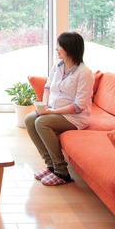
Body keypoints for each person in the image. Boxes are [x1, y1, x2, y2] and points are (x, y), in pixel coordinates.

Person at [24, 31, 94, 186]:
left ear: (70, 48)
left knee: (41, 122)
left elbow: (78, 106)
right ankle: (51, 166)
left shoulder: (85, 73)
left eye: (59, 46)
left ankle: (62, 172)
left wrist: (52, 112)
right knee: (29, 119)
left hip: (74, 117)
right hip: (53, 110)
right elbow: (48, 86)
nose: (57, 49)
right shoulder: (58, 65)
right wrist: (44, 106)